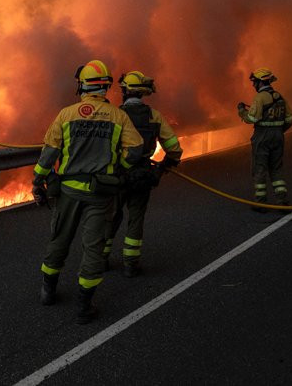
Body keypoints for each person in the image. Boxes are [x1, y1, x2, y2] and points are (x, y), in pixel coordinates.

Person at [32, 59, 144, 324]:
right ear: (105, 87)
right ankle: (84, 305)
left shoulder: (66, 114)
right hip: (100, 193)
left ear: (82, 85)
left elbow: (49, 153)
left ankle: (48, 290)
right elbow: (136, 150)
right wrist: (119, 168)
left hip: (69, 191)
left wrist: (38, 180)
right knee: (93, 247)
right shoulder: (118, 116)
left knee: (60, 240)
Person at [103, 70, 183, 278]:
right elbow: (174, 148)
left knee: (110, 215)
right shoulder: (153, 116)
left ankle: (101, 258)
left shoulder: (114, 115)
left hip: (117, 174)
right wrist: (164, 166)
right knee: (136, 217)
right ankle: (131, 263)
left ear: (125, 91)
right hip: (142, 174)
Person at [237, 67, 292, 211]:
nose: (253, 85)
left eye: (254, 82)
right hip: (278, 137)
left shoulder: (260, 97)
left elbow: (252, 118)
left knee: (259, 169)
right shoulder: (280, 97)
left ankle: (261, 202)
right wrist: (279, 131)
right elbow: (290, 119)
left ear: (260, 82)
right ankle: (282, 201)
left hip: (262, 137)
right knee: (276, 169)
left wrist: (241, 111)